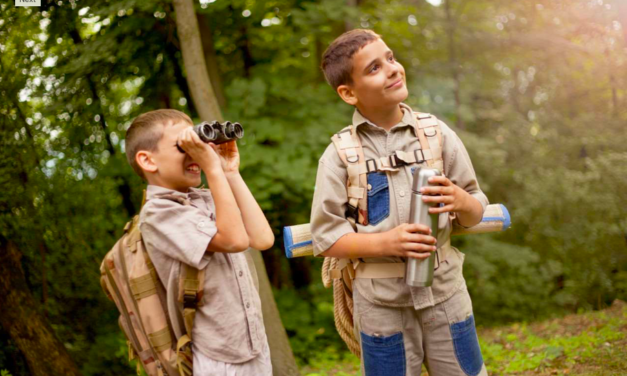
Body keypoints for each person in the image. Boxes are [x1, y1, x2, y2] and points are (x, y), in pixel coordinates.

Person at [311, 29, 489, 376]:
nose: (393, 69)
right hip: (381, 306)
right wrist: (385, 242)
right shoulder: (340, 156)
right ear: (348, 93)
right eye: (374, 68)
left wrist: (462, 200)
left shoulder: (436, 134)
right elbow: (326, 238)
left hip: (447, 294)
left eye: (391, 58)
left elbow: (476, 208)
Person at [125, 109, 274, 375]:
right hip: (219, 358)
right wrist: (212, 169)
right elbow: (235, 240)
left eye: (198, 142)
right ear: (148, 160)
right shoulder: (159, 214)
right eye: (184, 145)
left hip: (254, 346)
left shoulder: (204, 198)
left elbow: (262, 238)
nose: (197, 153)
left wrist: (229, 173)